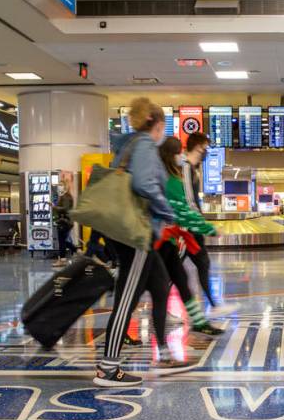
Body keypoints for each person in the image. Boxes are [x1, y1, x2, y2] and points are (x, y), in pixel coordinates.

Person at [97, 97, 178, 387]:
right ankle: (108, 367)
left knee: (159, 285)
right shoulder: (144, 145)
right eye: (163, 128)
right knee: (127, 297)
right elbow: (144, 184)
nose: (163, 134)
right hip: (136, 233)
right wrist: (167, 212)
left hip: (131, 230)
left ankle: (165, 350)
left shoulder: (129, 144)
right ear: (156, 125)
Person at [157, 136, 225, 336]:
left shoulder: (167, 177)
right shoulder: (172, 181)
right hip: (157, 240)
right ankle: (161, 346)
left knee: (181, 279)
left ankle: (198, 321)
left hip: (167, 238)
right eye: (179, 152)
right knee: (145, 287)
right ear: (172, 156)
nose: (182, 156)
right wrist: (209, 229)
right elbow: (185, 210)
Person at [182, 132, 238, 317]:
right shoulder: (186, 167)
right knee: (174, 269)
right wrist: (205, 226)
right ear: (198, 147)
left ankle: (213, 304)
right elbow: (190, 202)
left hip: (190, 227)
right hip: (186, 228)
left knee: (201, 264)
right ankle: (212, 305)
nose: (206, 152)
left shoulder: (192, 168)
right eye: (205, 147)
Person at [53, 186, 75, 267]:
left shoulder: (66, 197)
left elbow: (65, 209)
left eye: (61, 185)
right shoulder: (66, 196)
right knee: (63, 241)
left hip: (64, 221)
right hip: (65, 221)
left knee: (62, 241)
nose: (59, 188)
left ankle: (62, 260)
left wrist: (54, 207)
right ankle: (76, 250)